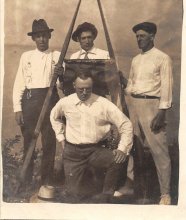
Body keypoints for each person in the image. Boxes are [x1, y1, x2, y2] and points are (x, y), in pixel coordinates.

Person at [50, 71, 133, 203]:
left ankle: (107, 197)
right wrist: (61, 138)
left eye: (88, 89)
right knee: (73, 196)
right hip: (73, 154)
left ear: (92, 87)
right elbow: (54, 117)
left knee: (117, 159)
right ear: (73, 86)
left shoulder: (103, 103)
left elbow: (126, 124)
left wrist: (122, 148)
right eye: (80, 89)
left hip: (96, 150)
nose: (84, 92)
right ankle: (77, 194)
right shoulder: (65, 102)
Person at [125, 21, 173, 205]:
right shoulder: (136, 59)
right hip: (135, 105)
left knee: (159, 151)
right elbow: (131, 84)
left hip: (152, 106)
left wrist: (162, 113)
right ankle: (131, 185)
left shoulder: (163, 58)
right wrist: (125, 86)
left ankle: (165, 194)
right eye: (137, 36)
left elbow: (167, 88)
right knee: (131, 146)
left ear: (152, 36)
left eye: (142, 36)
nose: (139, 39)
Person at [13, 19, 64, 188]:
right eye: (38, 36)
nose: (42, 39)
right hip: (30, 100)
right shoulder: (26, 56)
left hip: (50, 99)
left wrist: (61, 74)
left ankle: (46, 180)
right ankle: (25, 180)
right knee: (29, 140)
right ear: (33, 38)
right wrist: (17, 108)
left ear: (49, 36)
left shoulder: (56, 56)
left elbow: (62, 84)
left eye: (44, 36)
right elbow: (19, 82)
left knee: (49, 141)